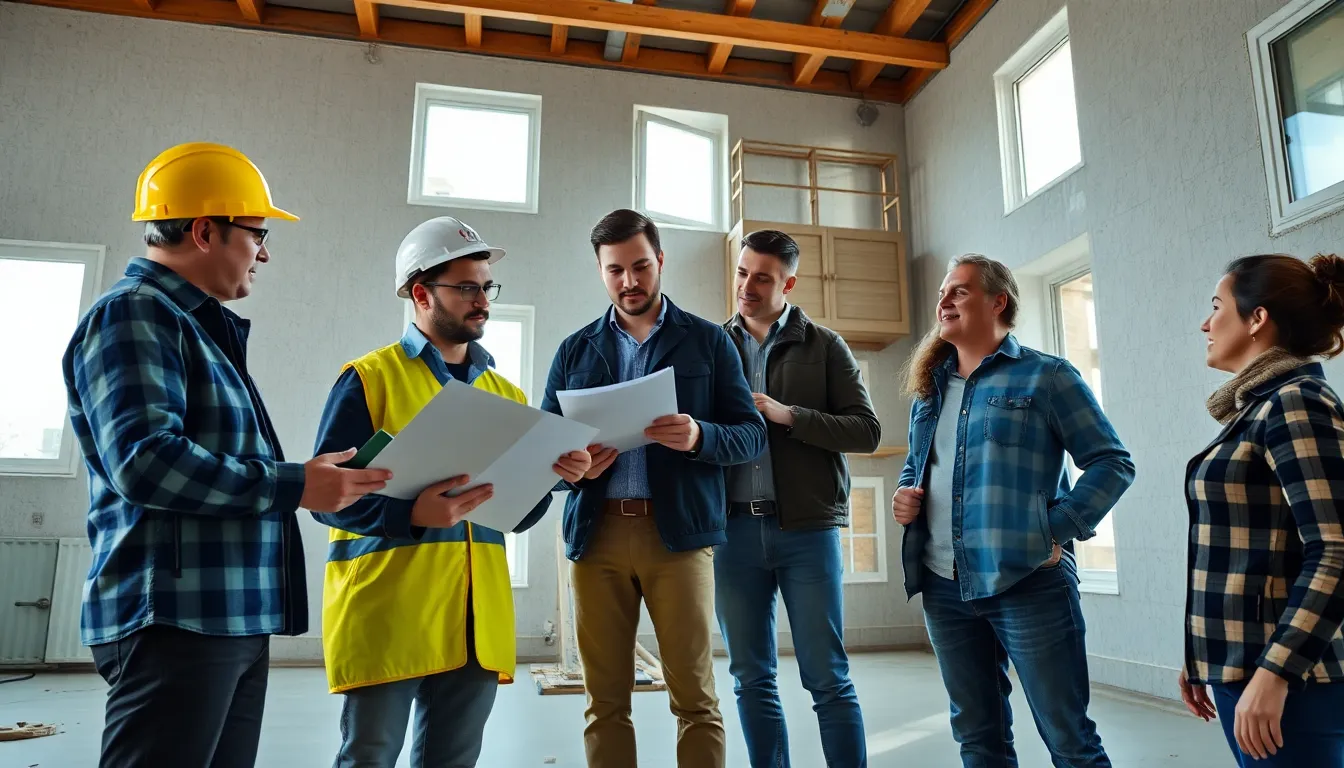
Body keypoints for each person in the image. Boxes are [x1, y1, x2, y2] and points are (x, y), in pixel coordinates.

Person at [61, 142, 392, 768]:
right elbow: (146, 461)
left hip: (229, 613)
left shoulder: (196, 327)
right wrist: (297, 487)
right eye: (257, 234)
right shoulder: (135, 315)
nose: (264, 252)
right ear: (205, 230)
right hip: (176, 620)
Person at [311, 217, 592, 768]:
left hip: (474, 620)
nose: (481, 300)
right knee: (369, 757)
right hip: (391, 614)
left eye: (487, 287)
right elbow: (326, 498)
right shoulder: (369, 379)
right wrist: (411, 514)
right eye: (467, 288)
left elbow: (516, 512)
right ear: (421, 293)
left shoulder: (504, 392)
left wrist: (555, 476)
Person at [539, 209, 766, 768]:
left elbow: (751, 435)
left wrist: (698, 435)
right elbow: (544, 450)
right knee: (605, 701)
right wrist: (573, 467)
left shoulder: (710, 342)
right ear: (600, 271)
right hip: (597, 539)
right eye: (615, 270)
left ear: (660, 260)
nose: (629, 281)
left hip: (681, 538)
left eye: (640, 266)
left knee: (694, 697)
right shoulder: (575, 350)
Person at [891, 254, 1134, 768]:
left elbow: (1112, 462)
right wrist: (905, 493)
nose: (944, 300)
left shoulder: (1047, 377)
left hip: (1028, 582)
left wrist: (1057, 529)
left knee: (1070, 741)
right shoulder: (929, 390)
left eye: (959, 291)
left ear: (997, 301)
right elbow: (919, 468)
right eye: (942, 293)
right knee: (978, 740)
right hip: (943, 585)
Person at [716, 230, 880, 768]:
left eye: (762, 277)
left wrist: (791, 417)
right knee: (750, 677)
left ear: (788, 282)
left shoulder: (826, 345)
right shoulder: (714, 345)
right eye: (743, 273)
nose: (747, 286)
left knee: (827, 676)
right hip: (733, 534)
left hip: (807, 532)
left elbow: (866, 431)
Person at [1179, 253, 1344, 767]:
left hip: (1286, 680)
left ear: (1257, 318)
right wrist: (1200, 654)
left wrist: (1276, 673)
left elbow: (1335, 549)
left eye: (1216, 306)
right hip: (1243, 666)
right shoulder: (1259, 405)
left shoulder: (1296, 401)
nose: (1205, 324)